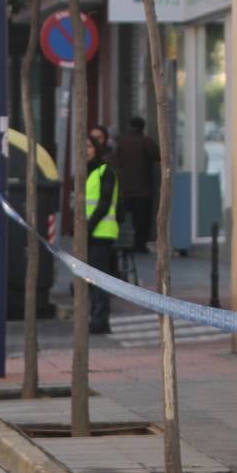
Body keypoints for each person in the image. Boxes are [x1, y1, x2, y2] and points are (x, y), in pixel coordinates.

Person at [85, 134, 120, 335]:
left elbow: (104, 203)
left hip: (101, 234)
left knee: (99, 280)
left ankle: (100, 319)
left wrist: (88, 228)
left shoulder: (105, 171)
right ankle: (95, 316)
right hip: (89, 234)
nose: (86, 150)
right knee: (90, 279)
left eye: (89, 146)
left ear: (97, 148)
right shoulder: (85, 172)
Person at [115, 116, 160, 254]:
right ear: (142, 127)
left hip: (126, 189)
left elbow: (117, 161)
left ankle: (128, 243)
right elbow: (157, 156)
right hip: (143, 190)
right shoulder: (146, 141)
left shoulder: (122, 142)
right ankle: (140, 244)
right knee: (143, 219)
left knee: (129, 218)